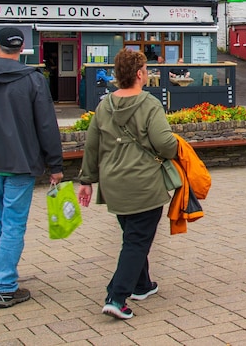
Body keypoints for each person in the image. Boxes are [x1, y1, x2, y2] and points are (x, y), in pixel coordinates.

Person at [0, 27, 63, 309]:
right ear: (21, 50)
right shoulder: (33, 80)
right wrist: (55, 164)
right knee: (13, 224)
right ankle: (6, 285)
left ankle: (1, 276)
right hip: (20, 164)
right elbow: (46, 125)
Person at [77, 49, 178, 320]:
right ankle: (116, 295)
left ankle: (142, 285)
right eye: (145, 69)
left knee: (133, 235)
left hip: (113, 184)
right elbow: (165, 144)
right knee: (136, 240)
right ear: (138, 74)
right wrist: (177, 144)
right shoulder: (149, 104)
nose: (147, 73)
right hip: (144, 183)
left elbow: (92, 147)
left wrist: (86, 180)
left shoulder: (104, 105)